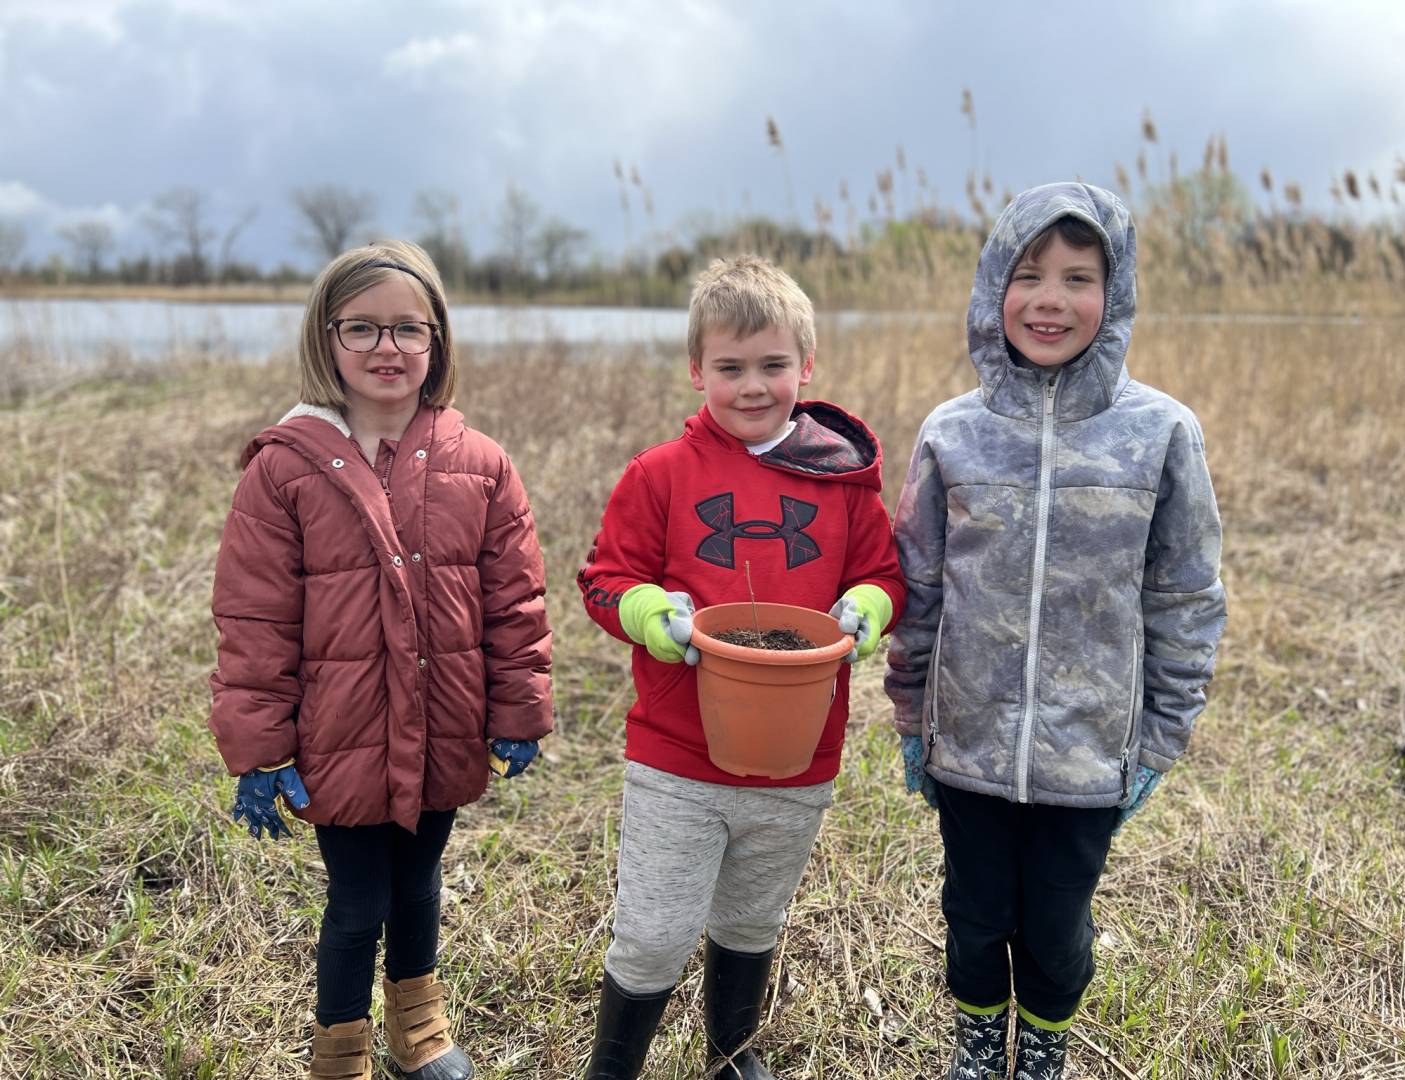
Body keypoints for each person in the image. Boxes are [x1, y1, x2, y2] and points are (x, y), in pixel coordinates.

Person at [884, 184, 1226, 1080]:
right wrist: (911, 715)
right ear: (994, 285)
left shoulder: (1160, 433)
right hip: (968, 744)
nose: (1049, 299)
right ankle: (977, 1041)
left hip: (1089, 753)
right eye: (1027, 275)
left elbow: (1186, 594)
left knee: (1057, 924)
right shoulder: (952, 432)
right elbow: (917, 587)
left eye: (1079, 277)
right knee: (974, 912)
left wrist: (1159, 735)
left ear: (1113, 298)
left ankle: (1040, 1044)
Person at [208, 240, 553, 1080]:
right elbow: (255, 621)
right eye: (361, 329)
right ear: (326, 339)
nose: (386, 349)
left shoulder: (482, 465)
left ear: (438, 340)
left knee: (420, 884)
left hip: (444, 727)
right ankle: (341, 1048)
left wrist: (518, 712)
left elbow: (516, 606)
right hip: (342, 738)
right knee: (358, 902)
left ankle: (420, 1027)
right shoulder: (284, 470)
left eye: (408, 328)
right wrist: (261, 750)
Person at [576, 255, 906, 1079]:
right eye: (729, 367)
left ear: (807, 366)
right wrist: (655, 617)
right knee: (654, 929)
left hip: (799, 754)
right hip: (676, 748)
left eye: (772, 365)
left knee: (754, 916)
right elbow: (604, 581)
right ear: (697, 370)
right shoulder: (660, 475)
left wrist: (865, 610)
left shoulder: (844, 484)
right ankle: (611, 1069)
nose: (752, 385)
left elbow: (885, 576)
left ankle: (730, 1054)